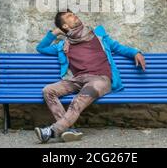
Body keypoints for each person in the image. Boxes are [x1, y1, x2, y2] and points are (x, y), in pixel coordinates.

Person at [34, 9, 146, 143]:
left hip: (101, 79)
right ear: (65, 26)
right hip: (77, 80)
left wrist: (135, 52)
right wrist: (56, 32)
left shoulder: (98, 35)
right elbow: (41, 48)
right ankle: (68, 131)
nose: (74, 15)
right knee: (48, 90)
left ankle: (52, 131)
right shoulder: (63, 45)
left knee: (78, 100)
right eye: (69, 16)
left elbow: (118, 47)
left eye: (73, 13)